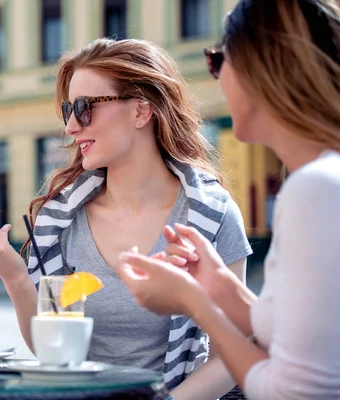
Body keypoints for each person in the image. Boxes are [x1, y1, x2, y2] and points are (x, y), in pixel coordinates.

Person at [0, 38, 253, 398]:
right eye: (67, 110)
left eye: (85, 107)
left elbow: (233, 350)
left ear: (141, 111)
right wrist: (14, 276)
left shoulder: (212, 214)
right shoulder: (58, 220)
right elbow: (51, 349)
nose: (71, 127)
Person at [117, 1, 340, 399]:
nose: (216, 78)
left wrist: (194, 302)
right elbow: (299, 331)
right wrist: (218, 284)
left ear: (264, 71)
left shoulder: (316, 189)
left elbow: (292, 391)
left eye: (219, 60)